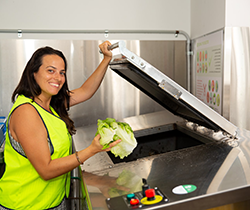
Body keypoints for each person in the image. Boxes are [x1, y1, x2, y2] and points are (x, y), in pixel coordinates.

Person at [0, 41, 121, 210]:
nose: (58, 78)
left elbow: (86, 91)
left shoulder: (50, 104)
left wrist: (106, 59)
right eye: (50, 70)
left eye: (62, 72)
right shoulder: (26, 112)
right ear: (33, 73)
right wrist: (91, 150)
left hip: (51, 201)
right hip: (25, 205)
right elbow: (46, 170)